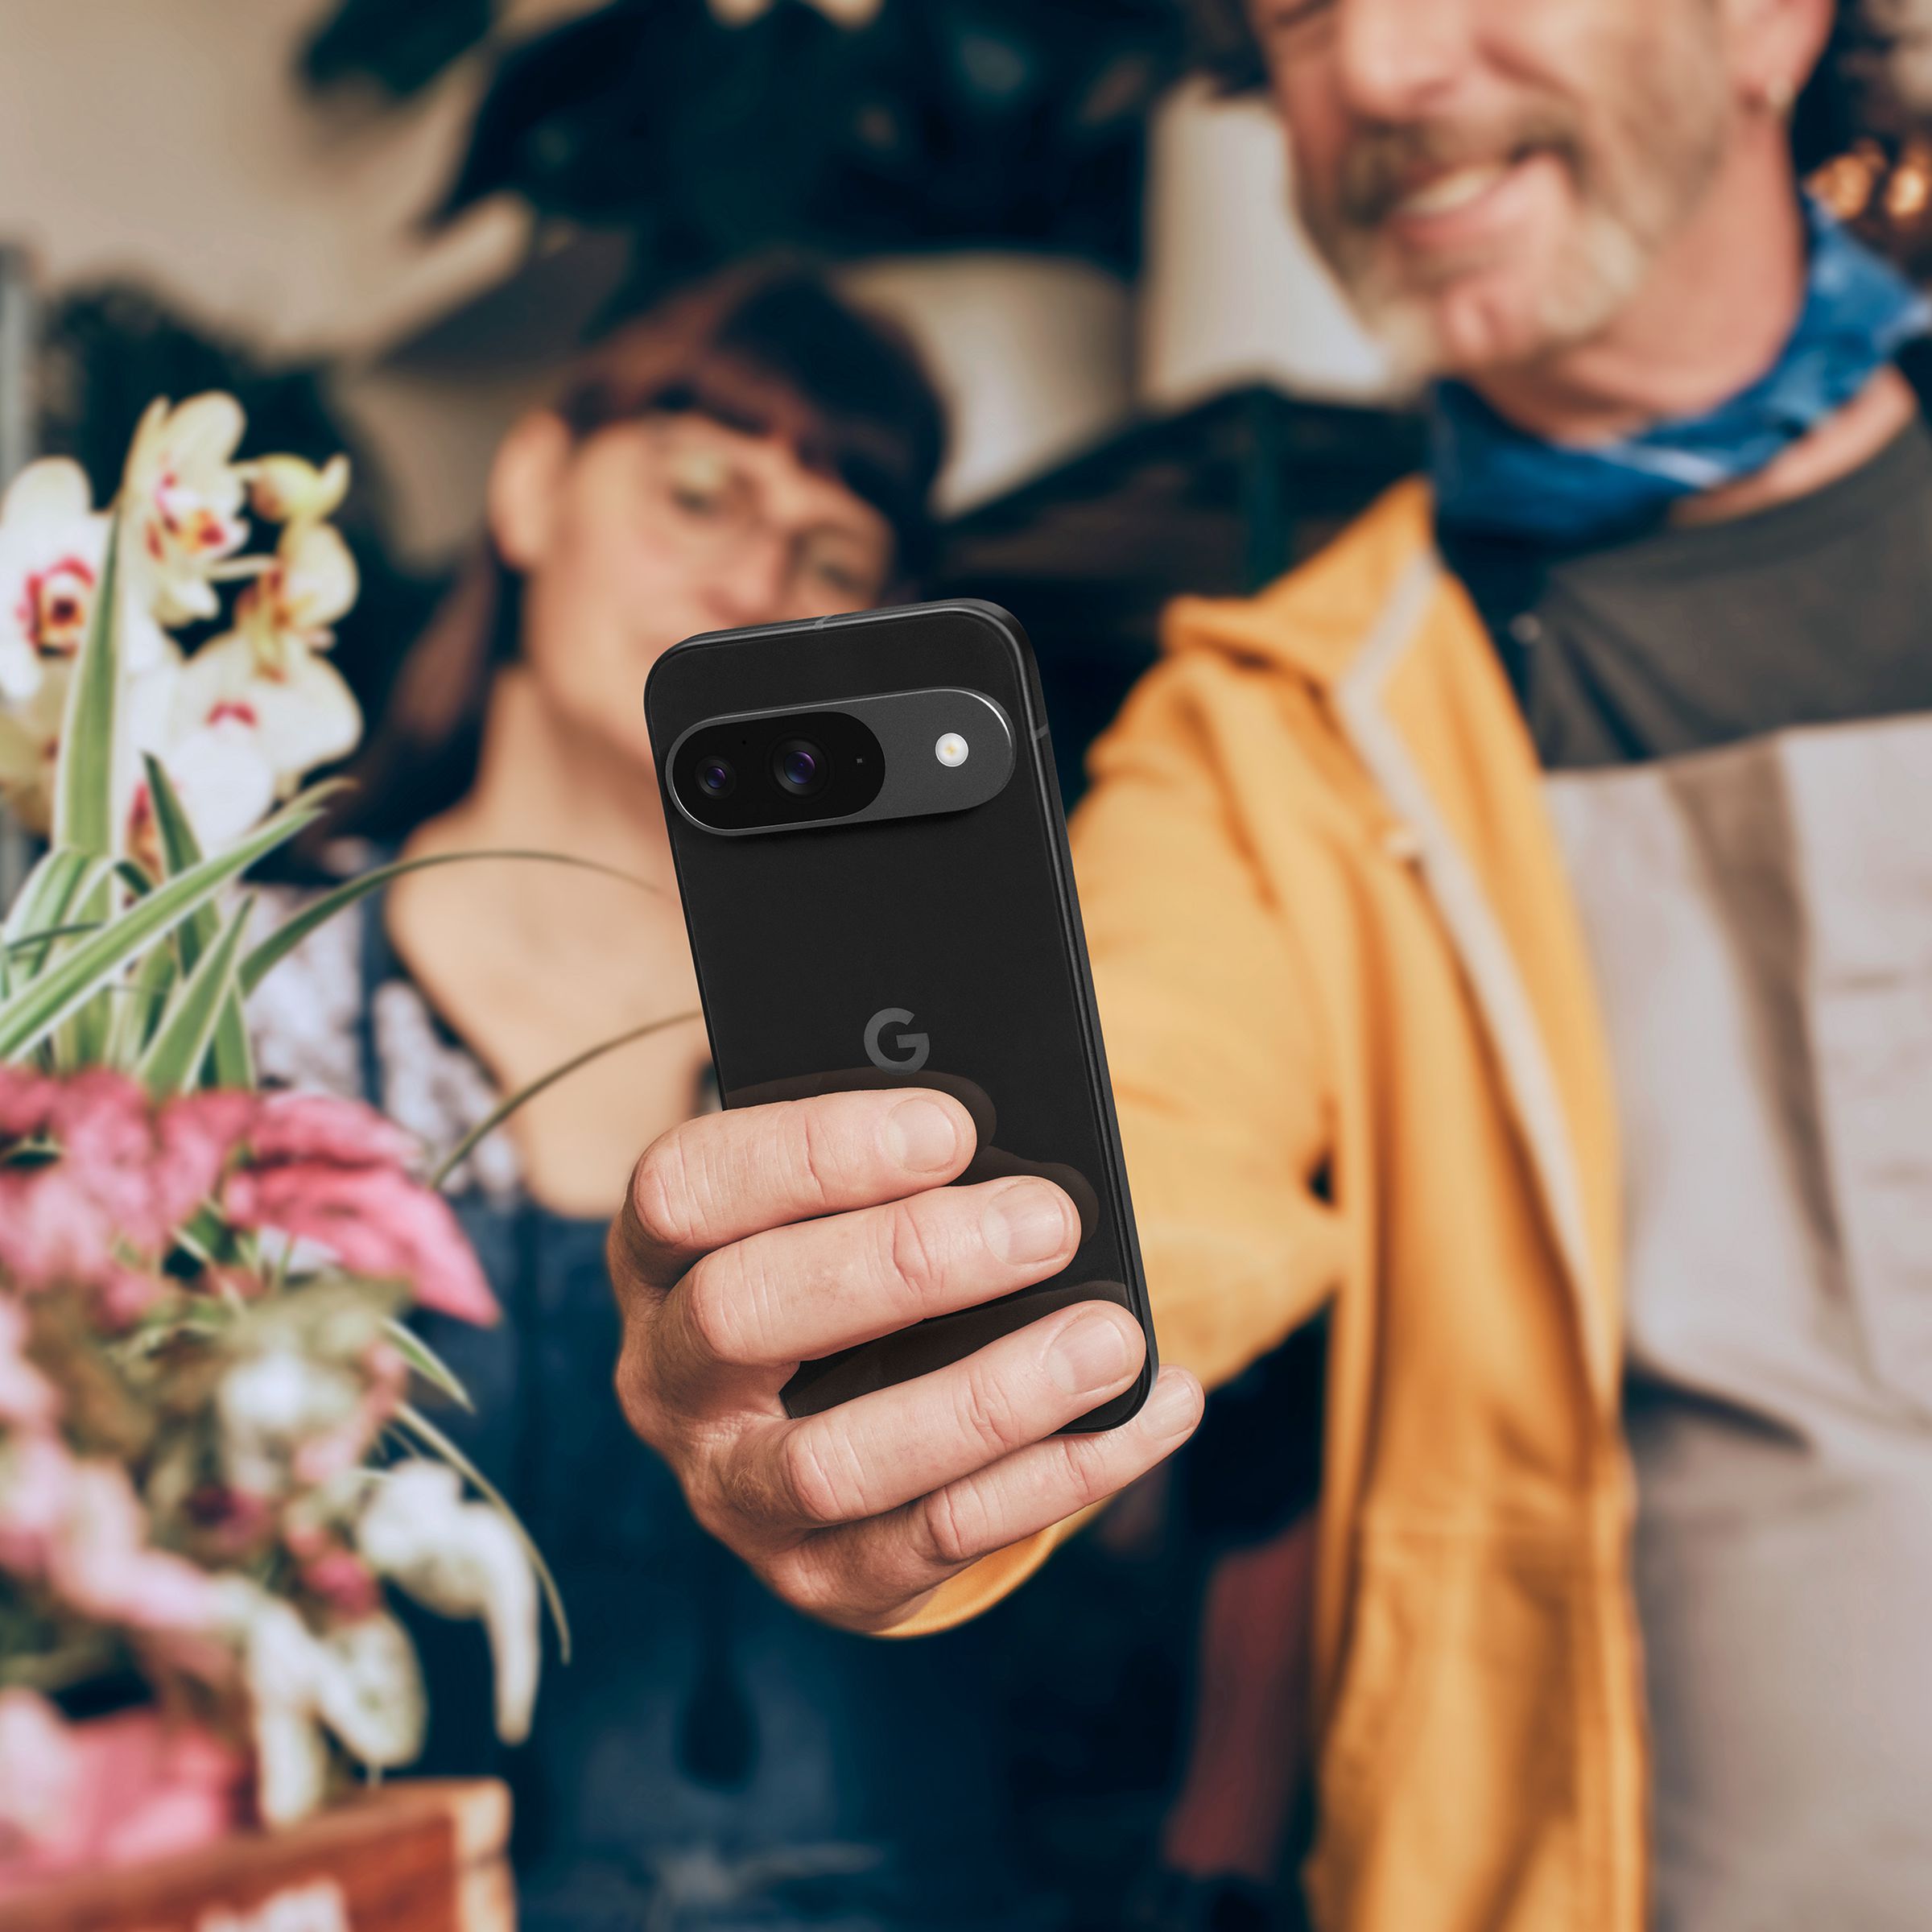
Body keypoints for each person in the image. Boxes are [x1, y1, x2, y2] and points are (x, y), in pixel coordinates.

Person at [605, 2, 1932, 1927]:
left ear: (1765, 21)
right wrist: (891, 1368)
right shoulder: (1273, 729)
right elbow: (1140, 1120)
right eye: (1302, 13)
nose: (1379, 72)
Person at [255, 264, 1062, 1931]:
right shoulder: (256, 993)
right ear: (534, 484)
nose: (752, 572)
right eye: (700, 490)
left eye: (829, 556)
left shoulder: (917, 1030)